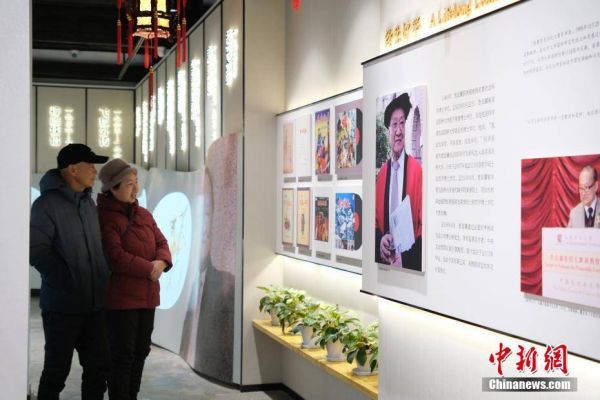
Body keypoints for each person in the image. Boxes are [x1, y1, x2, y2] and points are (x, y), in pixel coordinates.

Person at [30, 143, 111, 400]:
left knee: (98, 369)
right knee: (56, 371)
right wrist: (69, 281)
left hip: (94, 306)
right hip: (62, 307)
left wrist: (103, 279)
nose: (95, 172)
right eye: (91, 166)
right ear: (73, 169)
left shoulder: (88, 203)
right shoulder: (45, 205)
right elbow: (37, 251)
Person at [96, 158, 172, 400]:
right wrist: (149, 268)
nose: (135, 188)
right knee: (123, 355)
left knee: (141, 351)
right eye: (129, 184)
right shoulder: (104, 217)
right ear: (113, 188)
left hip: (147, 297)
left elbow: (162, 242)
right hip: (121, 300)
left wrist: (161, 262)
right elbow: (115, 256)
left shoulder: (144, 215)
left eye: (136, 181)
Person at [375, 93, 423, 270]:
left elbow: (423, 227)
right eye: (394, 124)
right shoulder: (382, 175)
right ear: (388, 130)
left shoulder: (417, 172)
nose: (399, 131)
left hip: (409, 269)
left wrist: (406, 258)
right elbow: (375, 221)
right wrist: (380, 241)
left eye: (402, 123)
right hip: (385, 269)